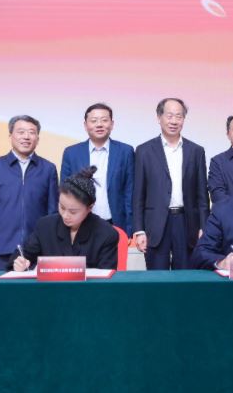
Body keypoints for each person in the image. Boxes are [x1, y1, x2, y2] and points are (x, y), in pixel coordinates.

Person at [132, 97, 209, 270]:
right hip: (156, 223)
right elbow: (138, 194)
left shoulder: (196, 151)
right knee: (157, 277)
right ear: (159, 117)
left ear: (184, 119)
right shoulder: (144, 151)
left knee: (186, 276)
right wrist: (139, 230)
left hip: (186, 222)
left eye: (179, 116)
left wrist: (204, 226)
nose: (174, 121)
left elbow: (202, 195)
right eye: (169, 116)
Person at [0, 115, 58, 271]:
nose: (26, 137)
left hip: (37, 247)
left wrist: (51, 246)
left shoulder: (48, 169)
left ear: (37, 138)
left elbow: (53, 211)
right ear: (10, 136)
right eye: (21, 132)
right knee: (4, 287)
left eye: (32, 132)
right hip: (3, 247)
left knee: (38, 287)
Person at [15, 167, 119, 270]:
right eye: (62, 207)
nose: (65, 215)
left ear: (90, 207)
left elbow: (106, 275)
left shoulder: (107, 234)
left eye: (73, 212)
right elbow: (23, 257)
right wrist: (21, 264)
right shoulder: (45, 226)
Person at [60, 103, 135, 235]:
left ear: (112, 124)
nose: (99, 124)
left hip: (116, 223)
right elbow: (64, 192)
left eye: (104, 120)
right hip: (81, 224)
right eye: (94, 121)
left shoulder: (125, 152)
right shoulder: (71, 153)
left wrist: (129, 229)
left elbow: (130, 193)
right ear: (85, 125)